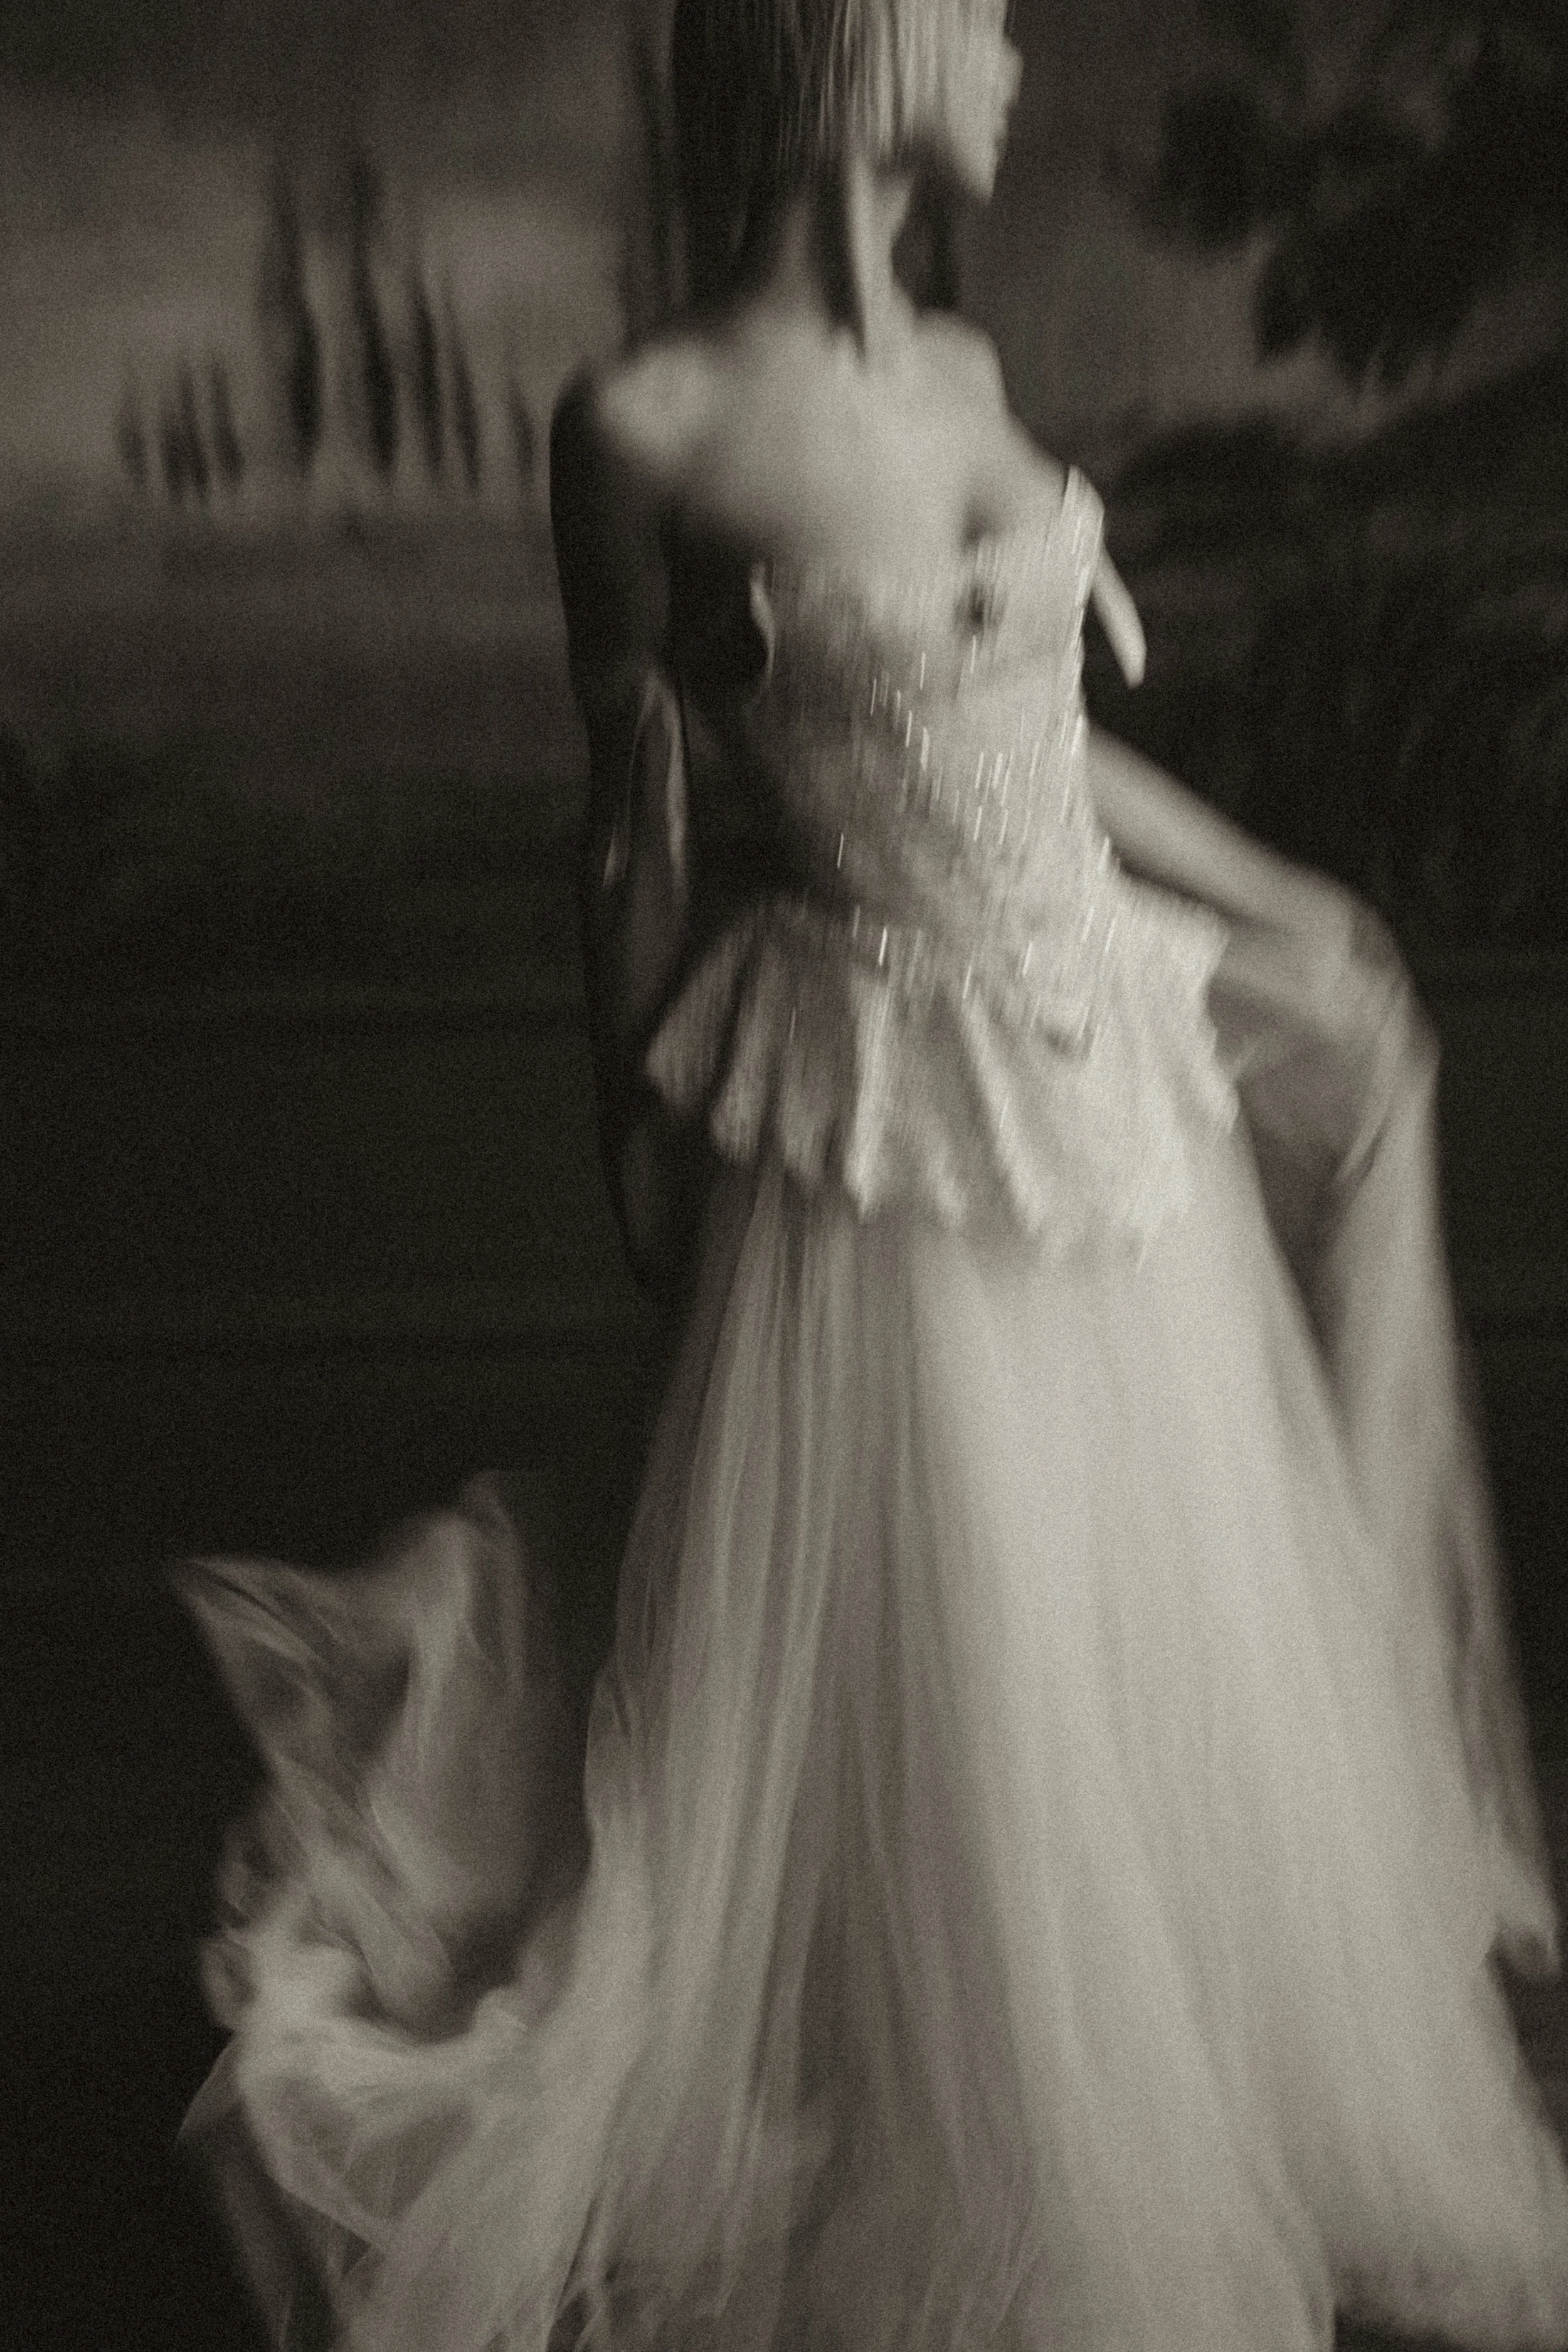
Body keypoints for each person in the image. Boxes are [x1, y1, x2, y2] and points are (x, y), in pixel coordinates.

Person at [177, 3, 1568, 2346]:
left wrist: (1283, 899)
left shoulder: (960, 366)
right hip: (883, 1123)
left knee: (1135, 1621)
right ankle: (988, 2139)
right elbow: (632, 817)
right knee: (962, 1633)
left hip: (1091, 1068)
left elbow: (1037, 744)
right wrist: (626, 1110)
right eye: (982, 23)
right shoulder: (641, 423)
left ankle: (1171, 2084)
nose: (1011, 64)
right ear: (867, 37)